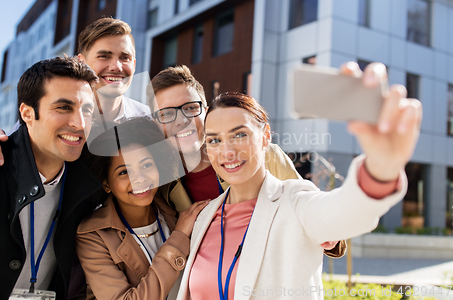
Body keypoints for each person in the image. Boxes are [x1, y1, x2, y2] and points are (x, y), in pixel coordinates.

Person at [176, 64, 422, 300]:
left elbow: (346, 212)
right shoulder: (205, 217)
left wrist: (380, 170)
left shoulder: (294, 201)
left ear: (265, 137)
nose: (226, 151)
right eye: (215, 140)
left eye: (239, 134)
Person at [147, 65, 344, 256]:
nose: (181, 120)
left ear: (206, 112)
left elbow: (312, 213)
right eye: (166, 114)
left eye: (190, 108)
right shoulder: (161, 185)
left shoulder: (266, 156)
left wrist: (327, 232)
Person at [0, 57, 105, 299]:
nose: (80, 123)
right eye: (63, 107)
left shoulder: (88, 188)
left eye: (87, 110)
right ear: (27, 113)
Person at [0, 17, 149, 169]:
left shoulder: (147, 119)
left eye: (125, 57)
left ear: (134, 64)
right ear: (81, 61)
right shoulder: (46, 117)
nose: (116, 66)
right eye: (104, 56)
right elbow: (10, 151)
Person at [76, 117, 208, 300]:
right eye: (124, 172)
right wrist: (179, 237)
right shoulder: (93, 235)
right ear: (106, 184)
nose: (139, 178)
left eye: (146, 165)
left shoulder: (175, 211)